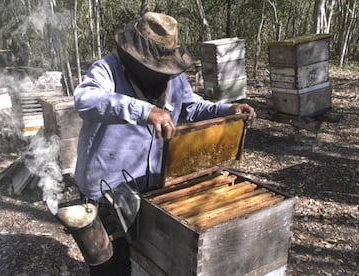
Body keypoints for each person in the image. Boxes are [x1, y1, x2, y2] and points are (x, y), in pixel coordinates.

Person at [73, 11, 256, 276]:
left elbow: (191, 108)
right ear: (133, 56)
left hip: (152, 187)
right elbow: (85, 100)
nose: (161, 74)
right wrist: (144, 111)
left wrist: (227, 110)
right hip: (107, 190)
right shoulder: (107, 70)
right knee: (109, 264)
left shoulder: (173, 79)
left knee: (148, 258)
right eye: (154, 67)